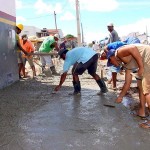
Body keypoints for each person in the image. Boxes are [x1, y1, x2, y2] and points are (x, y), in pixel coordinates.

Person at [107, 44, 150, 129]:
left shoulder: (118, 52)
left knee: (147, 90)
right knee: (141, 86)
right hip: (144, 61)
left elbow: (133, 48)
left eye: (111, 62)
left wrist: (141, 67)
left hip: (148, 57)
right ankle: (142, 112)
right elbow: (127, 83)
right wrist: (120, 97)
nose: (113, 65)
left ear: (112, 57)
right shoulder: (126, 65)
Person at [106, 23, 121, 90]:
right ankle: (111, 80)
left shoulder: (112, 33)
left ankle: (114, 86)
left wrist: (110, 53)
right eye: (108, 27)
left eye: (109, 27)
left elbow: (111, 43)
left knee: (113, 67)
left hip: (113, 50)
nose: (108, 28)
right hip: (115, 49)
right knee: (115, 66)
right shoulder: (113, 33)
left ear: (112, 27)